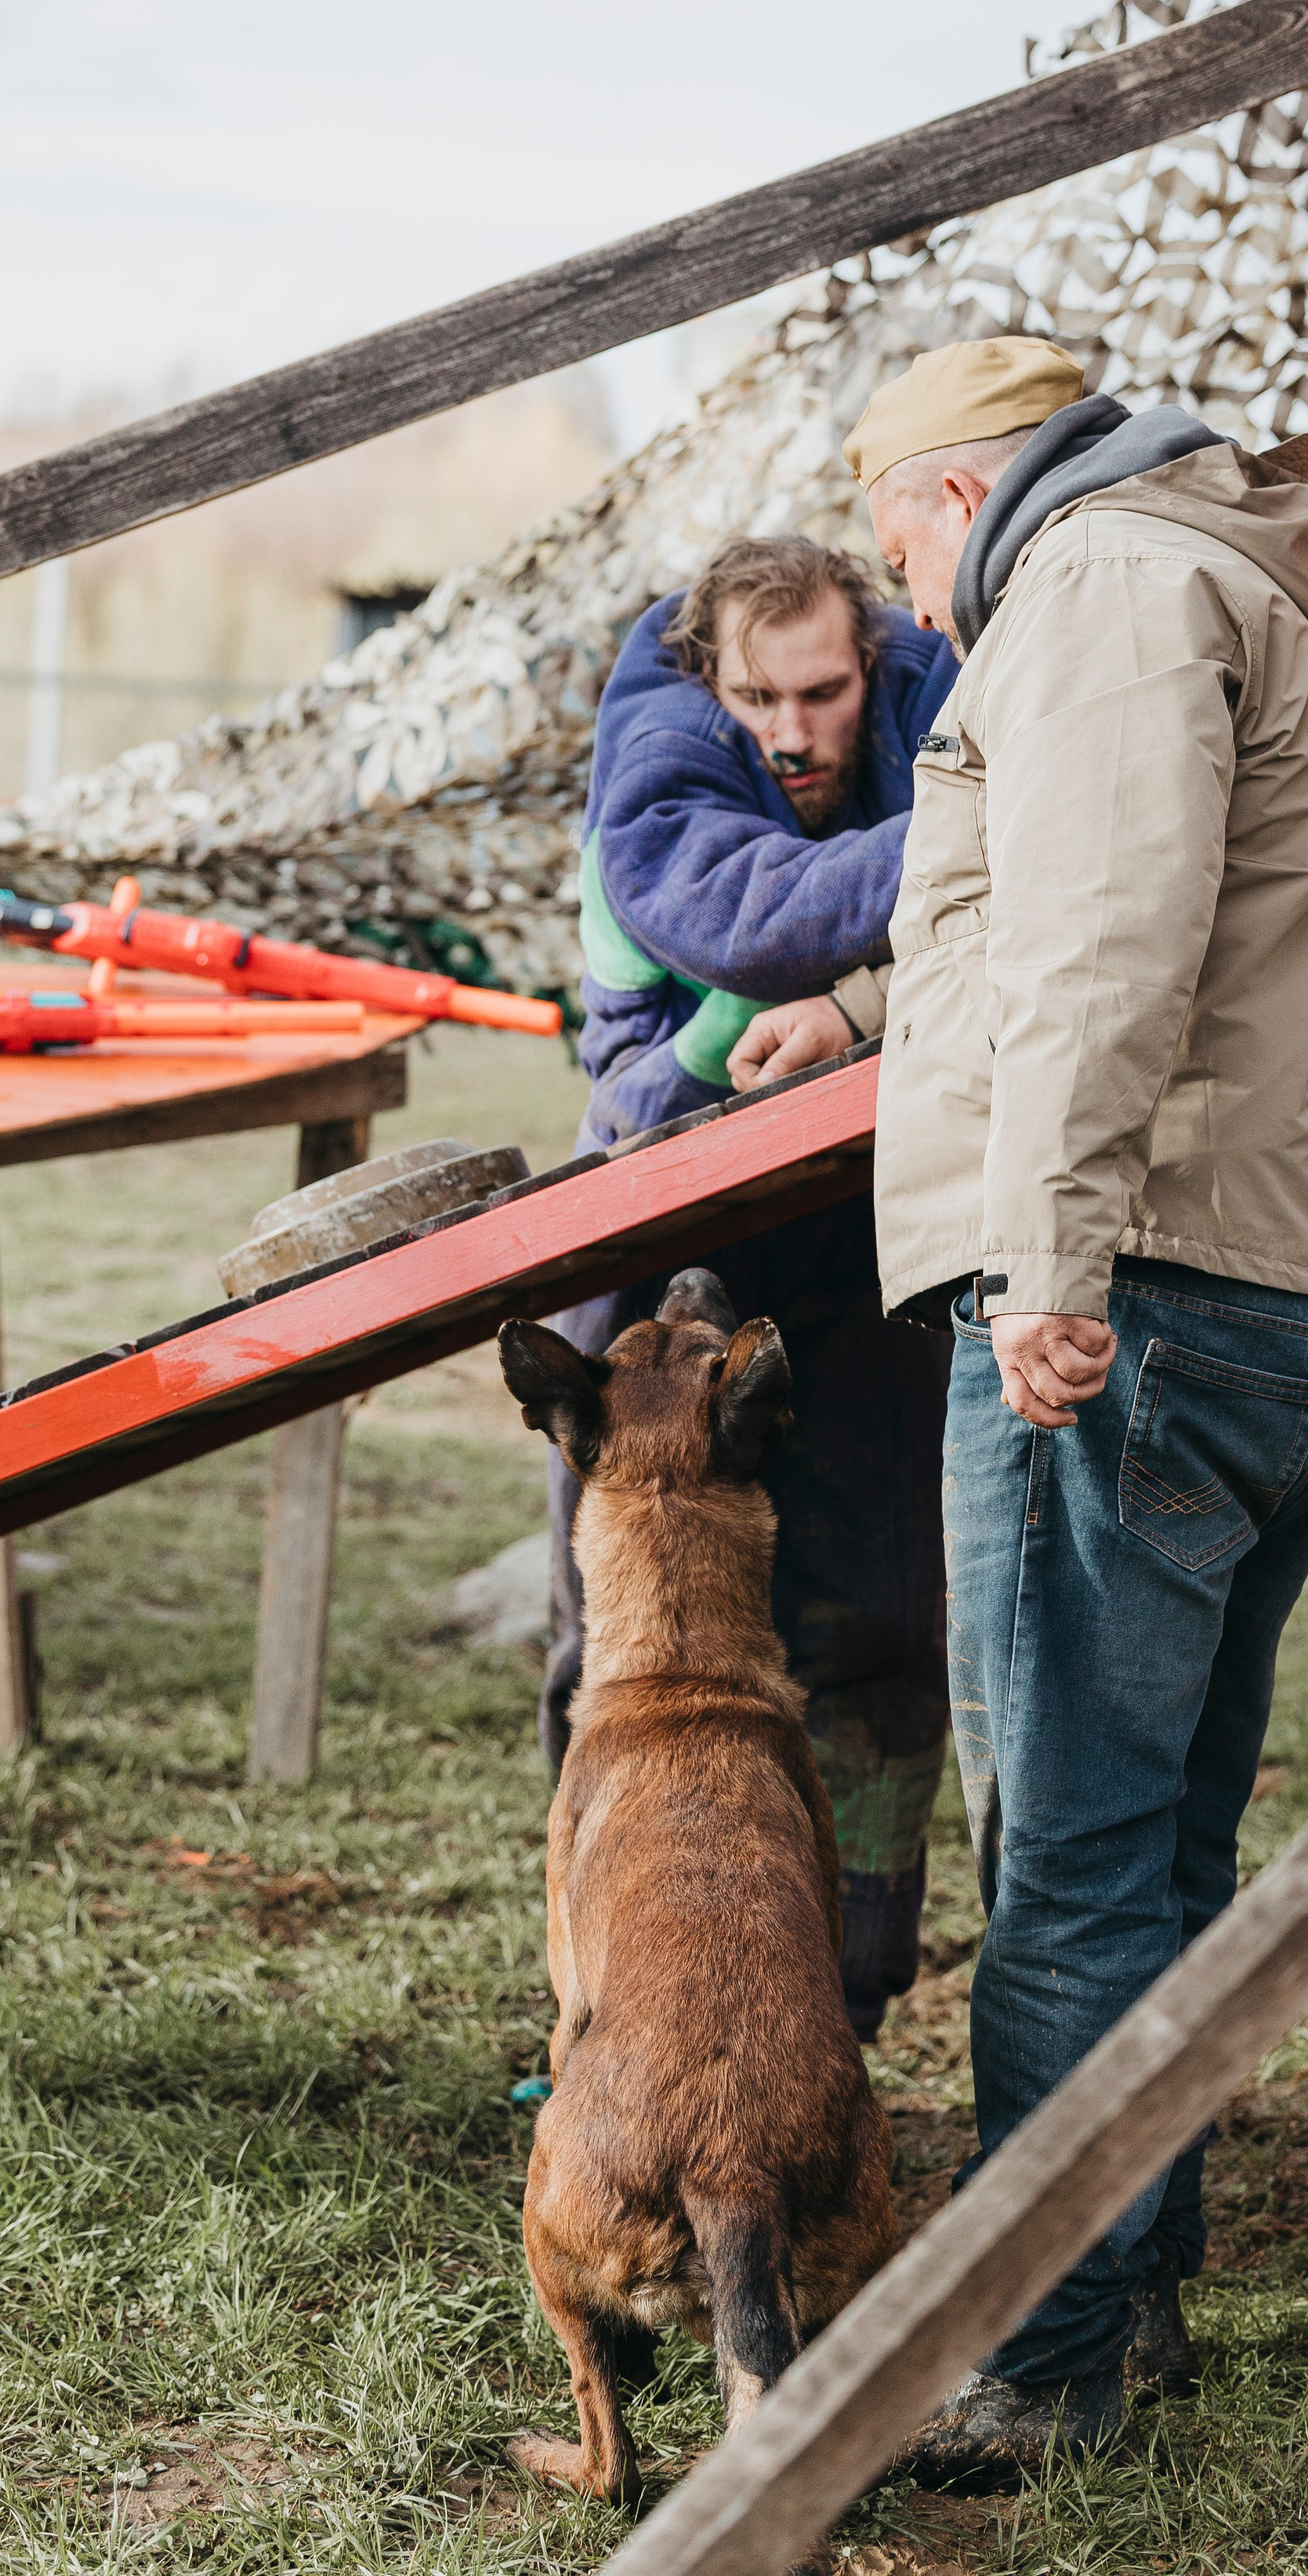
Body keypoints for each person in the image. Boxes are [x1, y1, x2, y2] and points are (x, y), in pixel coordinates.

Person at [776, 333, 1308, 2480]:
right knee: (1151, 1835)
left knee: (1062, 1850)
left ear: (953, 498)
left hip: (1137, 1288)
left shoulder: (1102, 588)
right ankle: (1125, 2293)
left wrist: (1048, 1260)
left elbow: (1105, 942)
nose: (912, 608)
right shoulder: (1184, 573)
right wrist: (865, 1002)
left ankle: (1038, 2359)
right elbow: (1069, 899)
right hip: (1255, 1270)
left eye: (896, 561)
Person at [546, 532, 958, 2042]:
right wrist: (990, 839)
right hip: (658, 1202)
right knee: (620, 1631)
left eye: (824, 694)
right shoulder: (659, 758)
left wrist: (857, 999)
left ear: (875, 666)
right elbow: (747, 917)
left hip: (864, 1211)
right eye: (759, 698)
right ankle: (602, 2005)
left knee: (887, 1618)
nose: (792, 732)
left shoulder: (939, 689)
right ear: (709, 682)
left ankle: (843, 1998)